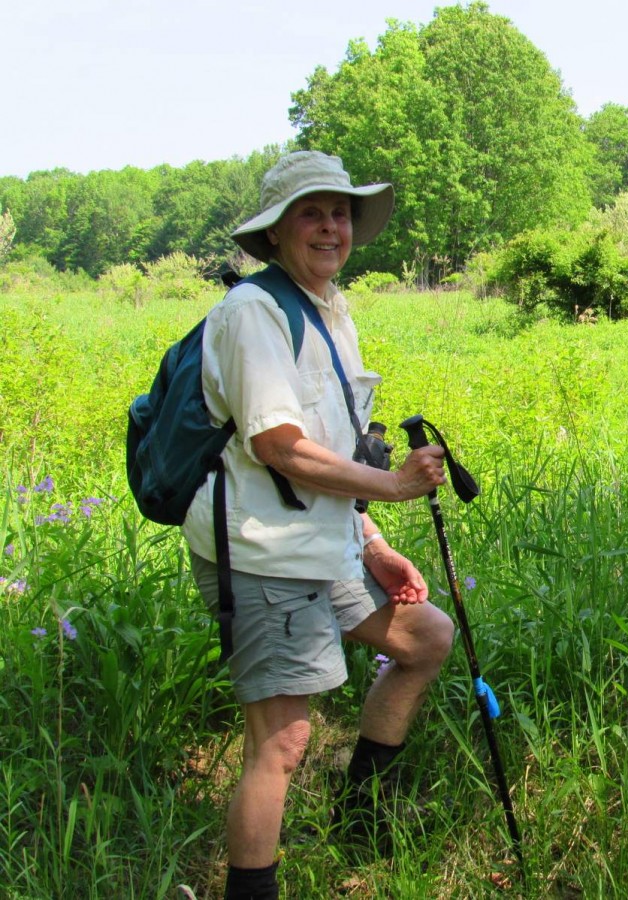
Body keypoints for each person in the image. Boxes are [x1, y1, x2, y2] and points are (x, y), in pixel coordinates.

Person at [182, 151, 455, 900]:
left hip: (322, 541)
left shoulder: (329, 311)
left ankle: (359, 817)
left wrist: (370, 538)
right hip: (263, 552)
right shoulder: (253, 314)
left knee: (425, 637)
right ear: (275, 233)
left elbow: (333, 445)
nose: (332, 226)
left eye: (340, 211)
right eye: (313, 212)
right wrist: (396, 486)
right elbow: (279, 446)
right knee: (283, 739)